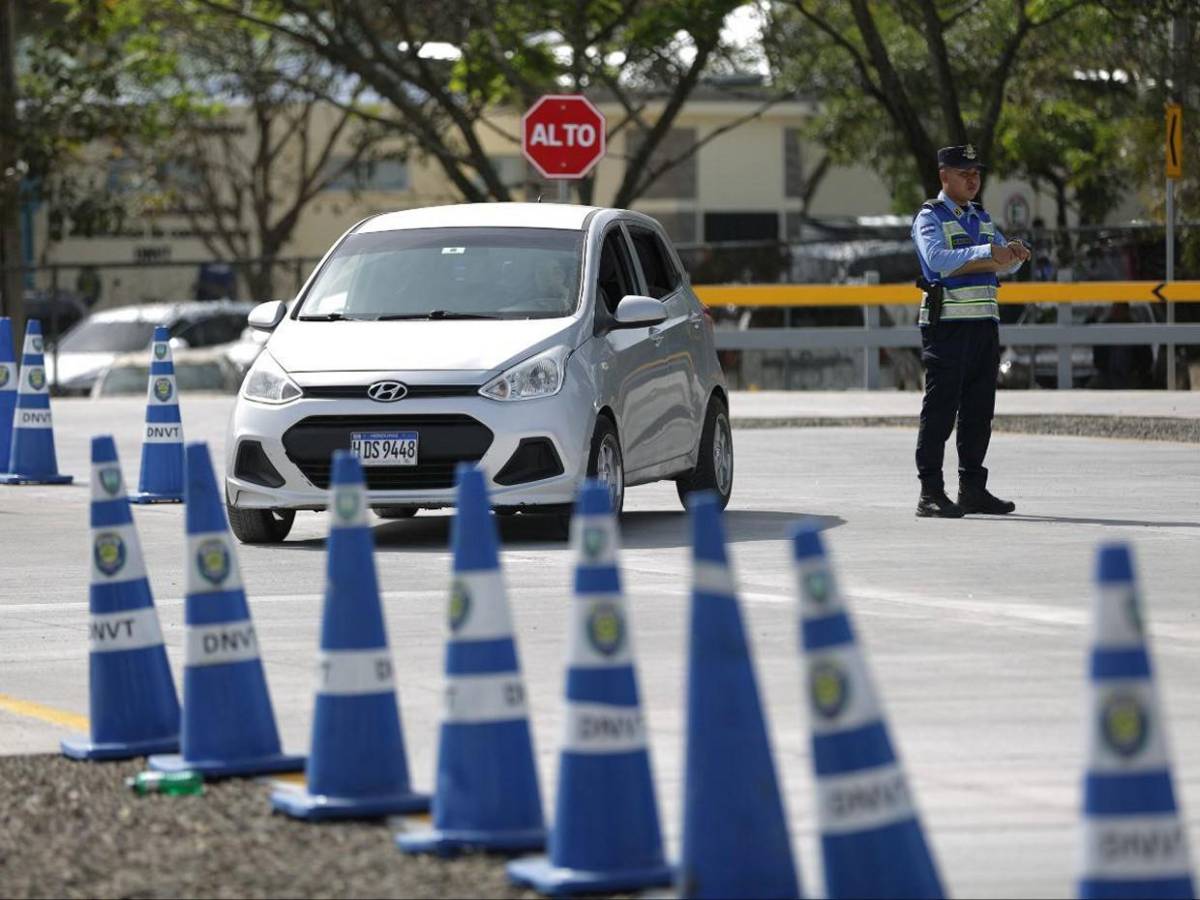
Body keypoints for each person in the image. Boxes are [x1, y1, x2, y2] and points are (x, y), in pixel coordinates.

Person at [911, 144, 1031, 518]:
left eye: (976, 173)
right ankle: (930, 492)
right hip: (948, 328)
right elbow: (937, 261)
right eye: (964, 173)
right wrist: (987, 254)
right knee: (941, 410)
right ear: (944, 176)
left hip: (983, 328)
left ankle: (972, 488)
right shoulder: (930, 217)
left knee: (979, 411)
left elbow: (999, 263)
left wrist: (1012, 254)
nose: (973, 179)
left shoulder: (981, 216)